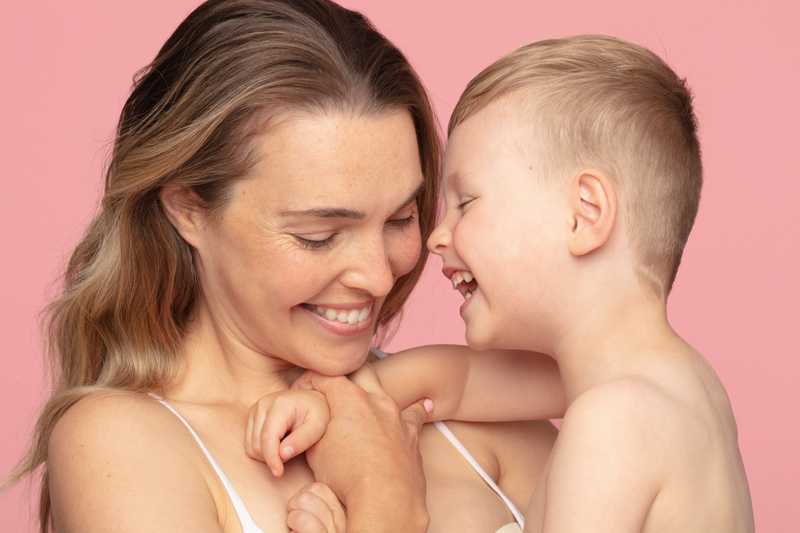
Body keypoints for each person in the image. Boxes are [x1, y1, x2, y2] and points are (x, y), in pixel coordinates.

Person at [3, 1, 561, 532]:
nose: (378, 276)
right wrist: (384, 499)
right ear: (189, 209)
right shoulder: (118, 445)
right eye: (318, 236)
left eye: (400, 218)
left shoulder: (471, 408)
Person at [251, 35, 755, 532]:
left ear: (584, 214)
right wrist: (328, 402)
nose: (435, 237)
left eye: (466, 203)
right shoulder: (675, 382)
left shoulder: (612, 423)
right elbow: (460, 382)